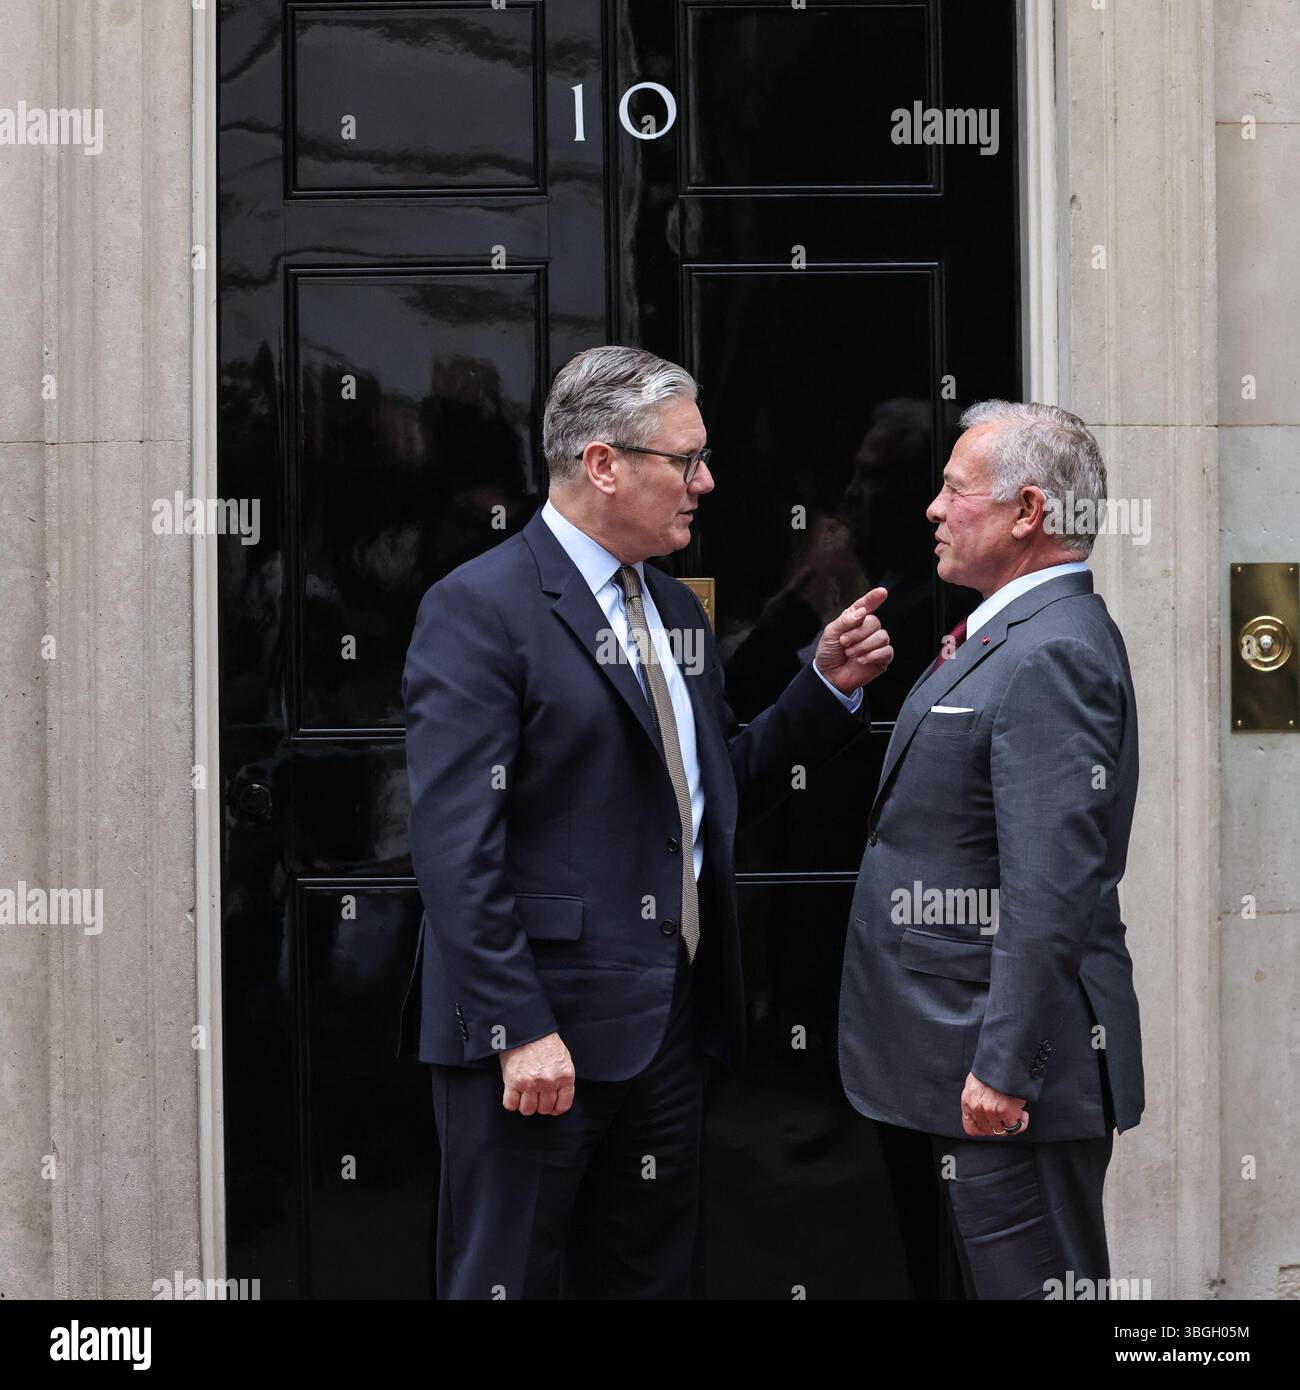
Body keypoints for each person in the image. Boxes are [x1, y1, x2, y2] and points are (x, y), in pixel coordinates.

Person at [399, 345, 895, 1298]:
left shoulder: (674, 608)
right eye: (685, 460)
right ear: (602, 463)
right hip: (538, 1034)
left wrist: (822, 688)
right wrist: (517, 1027)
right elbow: (457, 846)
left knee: (650, 1279)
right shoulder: (479, 608)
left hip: (668, 1023)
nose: (705, 483)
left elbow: (702, 794)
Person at [838, 400, 1144, 1300]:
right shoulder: (1013, 634)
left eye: (953, 489)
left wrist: (1004, 1071)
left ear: (1028, 513)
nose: (932, 508)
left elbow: (1051, 889)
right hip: (956, 1065)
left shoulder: (1052, 653)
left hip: (1005, 1082)